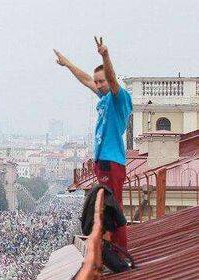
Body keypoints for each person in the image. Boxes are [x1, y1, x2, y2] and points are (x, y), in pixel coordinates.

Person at [55, 36, 131, 248]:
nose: (97, 85)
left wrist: (105, 55)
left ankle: (118, 249)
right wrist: (67, 64)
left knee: (112, 205)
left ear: (110, 81)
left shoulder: (119, 98)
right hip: (103, 161)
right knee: (105, 204)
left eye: (101, 81)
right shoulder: (104, 99)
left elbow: (112, 79)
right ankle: (110, 245)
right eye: (97, 82)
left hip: (111, 161)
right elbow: (86, 79)